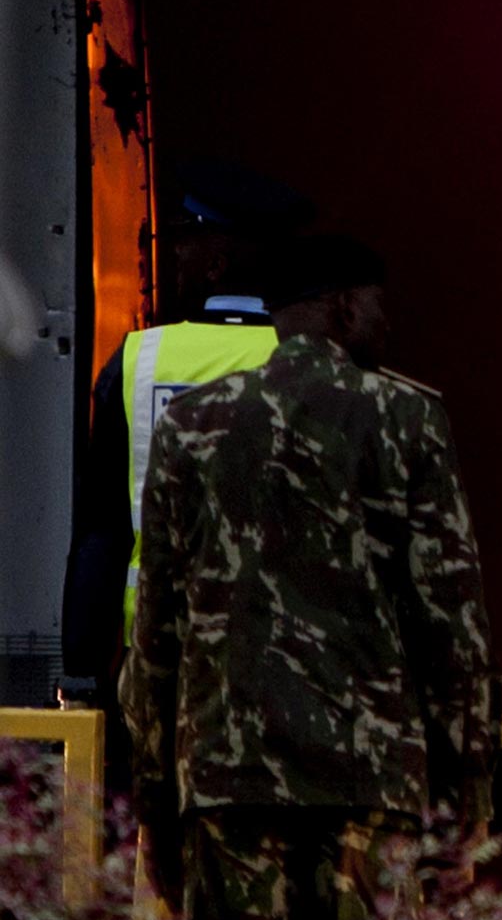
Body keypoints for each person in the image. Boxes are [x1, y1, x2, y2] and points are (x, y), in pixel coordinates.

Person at [120, 234, 498, 920]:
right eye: (377, 304)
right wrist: (466, 804)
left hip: (229, 781)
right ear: (341, 306)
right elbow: (454, 627)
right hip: (368, 784)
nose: (386, 323)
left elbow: (155, 633)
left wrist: (156, 805)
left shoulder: (193, 426)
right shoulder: (405, 418)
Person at [61, 159, 314, 725]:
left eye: (186, 238)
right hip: (291, 667)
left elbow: (101, 534)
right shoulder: (319, 366)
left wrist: (79, 671)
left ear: (216, 262)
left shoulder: (137, 362)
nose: (173, 252)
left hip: (162, 665)